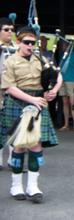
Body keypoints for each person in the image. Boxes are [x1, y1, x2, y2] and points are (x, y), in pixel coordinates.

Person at [1, 26, 62, 203]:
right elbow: (9, 87)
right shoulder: (10, 61)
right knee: (19, 146)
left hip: (37, 104)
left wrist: (54, 91)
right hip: (18, 103)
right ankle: (16, 186)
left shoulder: (40, 59)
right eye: (26, 42)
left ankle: (33, 186)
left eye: (32, 43)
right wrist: (32, 99)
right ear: (18, 42)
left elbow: (58, 76)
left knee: (36, 146)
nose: (30, 46)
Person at [0, 16, 16, 170]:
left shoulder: (18, 48)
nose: (10, 32)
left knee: (13, 126)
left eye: (12, 30)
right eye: (6, 30)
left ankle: (13, 158)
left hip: (12, 92)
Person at [57, 40, 74, 131]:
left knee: (73, 103)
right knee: (65, 103)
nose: (62, 47)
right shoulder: (63, 55)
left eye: (64, 45)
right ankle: (66, 124)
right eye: (62, 45)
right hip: (62, 80)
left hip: (72, 80)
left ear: (69, 46)